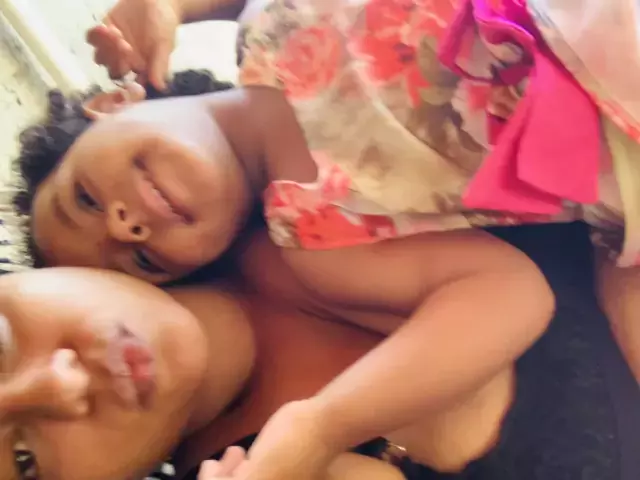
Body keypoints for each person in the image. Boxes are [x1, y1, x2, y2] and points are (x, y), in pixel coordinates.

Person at [11, 0, 640, 477]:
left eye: (0, 349)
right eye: (23, 460)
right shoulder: (315, 235)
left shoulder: (264, 198)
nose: (60, 385)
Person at [1, 224, 640, 480]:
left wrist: (321, 428)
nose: (62, 386)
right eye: (23, 460)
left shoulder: (287, 231)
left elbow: (511, 292)